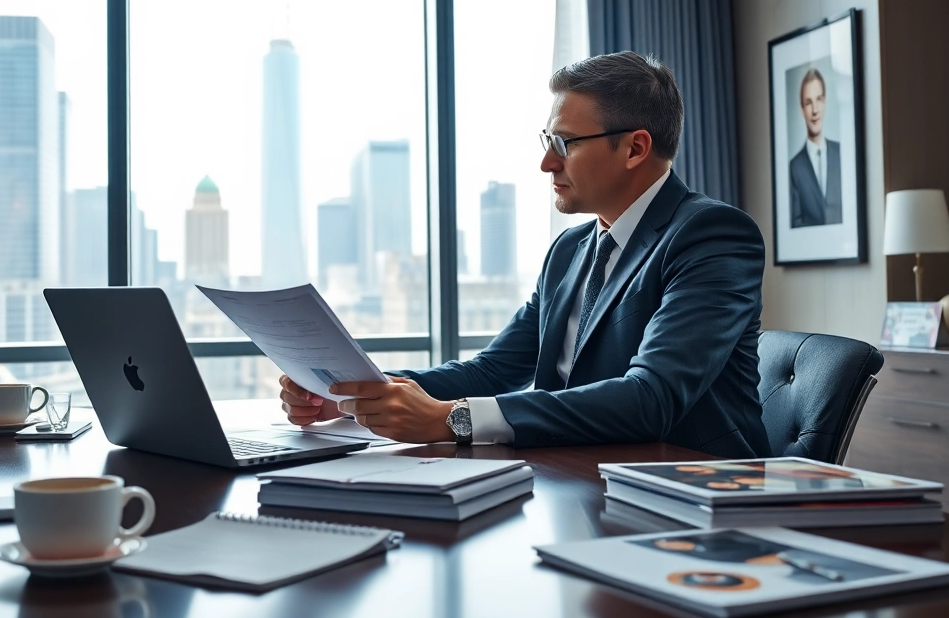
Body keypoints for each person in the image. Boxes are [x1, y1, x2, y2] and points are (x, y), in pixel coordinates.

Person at [279, 51, 771, 458]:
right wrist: (357, 395)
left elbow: (652, 398)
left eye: (564, 143)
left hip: (690, 494)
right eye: (547, 141)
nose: (546, 162)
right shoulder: (570, 250)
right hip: (576, 476)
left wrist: (456, 419)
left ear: (635, 148)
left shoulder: (712, 235)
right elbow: (492, 370)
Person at [788, 68, 842, 227]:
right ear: (802, 110)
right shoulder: (795, 167)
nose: (815, 110)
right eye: (808, 102)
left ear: (825, 102)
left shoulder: (841, 154)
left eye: (819, 99)